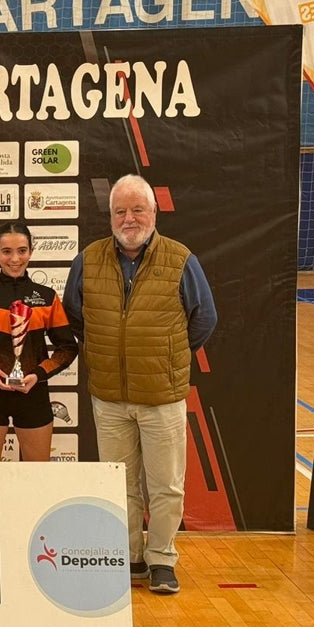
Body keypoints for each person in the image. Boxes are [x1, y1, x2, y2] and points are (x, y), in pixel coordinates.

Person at [63, 174, 217, 596]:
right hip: (109, 397)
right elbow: (75, 316)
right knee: (120, 482)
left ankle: (163, 559)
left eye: (138, 209)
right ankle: (129, 555)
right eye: (120, 211)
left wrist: (166, 358)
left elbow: (204, 318)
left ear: (154, 212)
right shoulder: (88, 259)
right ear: (110, 215)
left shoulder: (181, 259)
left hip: (161, 397)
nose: (129, 218)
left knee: (165, 485)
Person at [0, 221, 78, 461]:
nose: (15, 259)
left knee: (36, 479)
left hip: (33, 395)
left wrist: (38, 375)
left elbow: (67, 348)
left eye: (22, 250)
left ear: (31, 252)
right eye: (7, 251)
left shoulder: (46, 297)